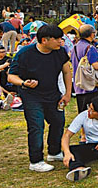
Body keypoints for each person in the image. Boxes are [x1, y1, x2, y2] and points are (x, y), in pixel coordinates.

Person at [8, 23, 72, 173]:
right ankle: (35, 160)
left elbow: (67, 72)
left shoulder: (60, 52)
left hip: (53, 93)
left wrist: (67, 93)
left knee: (58, 121)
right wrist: (24, 83)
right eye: (57, 39)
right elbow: (11, 77)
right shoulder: (25, 54)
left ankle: (54, 152)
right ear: (44, 40)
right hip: (31, 95)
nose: (60, 42)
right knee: (36, 126)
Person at [72, 24, 98, 113]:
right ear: (92, 34)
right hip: (91, 86)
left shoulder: (75, 47)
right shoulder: (90, 48)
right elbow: (96, 66)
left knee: (82, 113)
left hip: (79, 84)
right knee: (93, 112)